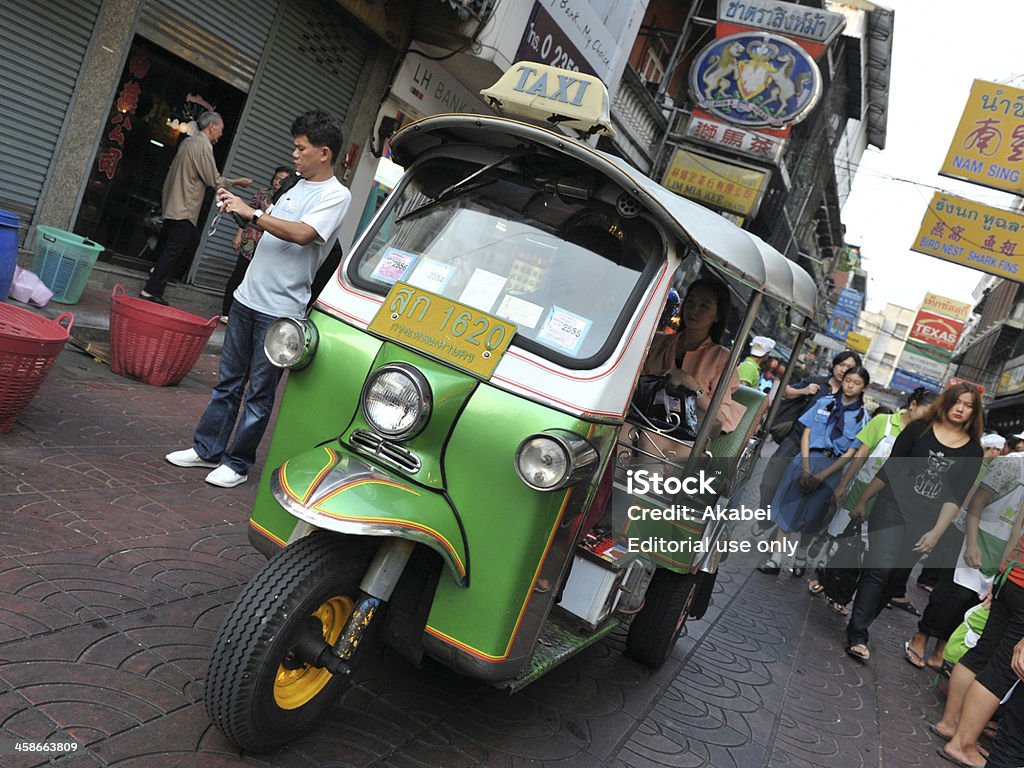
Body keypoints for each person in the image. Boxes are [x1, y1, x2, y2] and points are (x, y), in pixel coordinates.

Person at [165, 110, 351, 488]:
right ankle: (207, 450)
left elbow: (302, 234)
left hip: (281, 311)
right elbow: (265, 227)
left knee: (259, 394)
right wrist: (236, 208)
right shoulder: (293, 186)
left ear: (324, 153)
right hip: (247, 297)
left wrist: (252, 214)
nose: (294, 155)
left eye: (301, 148)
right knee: (228, 383)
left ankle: (237, 462)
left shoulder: (336, 195)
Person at [844, 382, 984, 663]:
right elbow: (890, 470)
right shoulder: (918, 430)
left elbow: (954, 499)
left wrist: (935, 533)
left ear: (974, 412)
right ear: (946, 402)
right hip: (890, 508)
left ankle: (861, 620)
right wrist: (863, 501)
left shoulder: (973, 452)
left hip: (926, 521)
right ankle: (858, 634)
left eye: (968, 405)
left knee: (896, 578)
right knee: (879, 570)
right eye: (958, 402)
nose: (961, 409)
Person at [807, 386, 938, 614]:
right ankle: (825, 577)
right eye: (928, 411)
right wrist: (842, 485)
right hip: (860, 491)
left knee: (865, 552)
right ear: (914, 405)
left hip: (888, 504)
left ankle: (842, 594)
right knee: (840, 541)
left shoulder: (925, 436)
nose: (930, 418)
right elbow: (860, 457)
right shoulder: (883, 423)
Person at [933, 446, 1024, 768]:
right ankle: (963, 742)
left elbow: (1018, 531)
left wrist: (1003, 574)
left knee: (984, 653)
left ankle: (951, 727)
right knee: (1002, 668)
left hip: (1012, 577)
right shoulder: (1013, 465)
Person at [906, 433, 1015, 672]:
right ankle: (921, 637)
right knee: (950, 594)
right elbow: (976, 501)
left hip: (998, 548)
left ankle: (942, 650)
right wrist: (972, 542)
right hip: (967, 536)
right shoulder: (1012, 464)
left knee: (970, 601)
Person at [757, 366, 871, 576]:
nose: (850, 385)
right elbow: (806, 435)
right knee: (787, 509)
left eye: (856, 383)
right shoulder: (823, 403)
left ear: (864, 387)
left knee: (813, 517)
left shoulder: (862, 417)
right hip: (805, 461)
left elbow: (852, 452)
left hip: (832, 467)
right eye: (848, 380)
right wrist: (807, 467)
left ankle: (800, 557)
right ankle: (776, 559)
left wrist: (823, 475)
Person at [141, 111, 252, 305]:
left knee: (183, 242)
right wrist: (237, 182)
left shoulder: (188, 141)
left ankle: (160, 270)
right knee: (176, 248)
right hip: (185, 206)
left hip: (174, 203)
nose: (221, 134)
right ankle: (151, 290)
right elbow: (213, 180)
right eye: (221, 129)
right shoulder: (203, 145)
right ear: (212, 127)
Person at [752, 350, 863, 537]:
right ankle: (767, 519)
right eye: (841, 364)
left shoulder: (850, 398)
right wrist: (804, 390)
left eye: (850, 367)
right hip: (794, 441)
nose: (844, 370)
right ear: (834, 365)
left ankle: (781, 527)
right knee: (769, 482)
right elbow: (785, 391)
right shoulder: (817, 382)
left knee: (798, 494)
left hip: (818, 454)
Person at [640, 276, 745, 434]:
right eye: (690, 302)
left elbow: (718, 418)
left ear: (717, 315)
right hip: (642, 419)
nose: (694, 310)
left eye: (704, 306)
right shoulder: (658, 342)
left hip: (687, 434)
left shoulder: (721, 359)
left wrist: (692, 386)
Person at [220, 165, 293, 320]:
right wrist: (238, 235)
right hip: (252, 241)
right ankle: (226, 312)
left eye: (282, 180)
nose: (278, 182)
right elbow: (246, 213)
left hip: (269, 246)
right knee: (238, 275)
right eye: (277, 178)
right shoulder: (263, 193)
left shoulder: (289, 199)